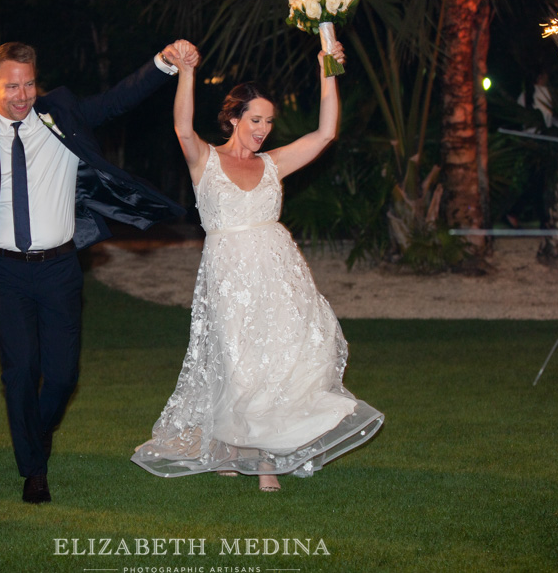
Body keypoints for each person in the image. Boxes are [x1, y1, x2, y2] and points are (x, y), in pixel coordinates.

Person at [0, 40, 191, 503]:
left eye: (29, 83)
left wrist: (162, 63)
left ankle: (36, 431)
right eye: (12, 85)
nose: (22, 94)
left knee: (64, 376)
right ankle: (34, 469)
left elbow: (116, 99)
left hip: (60, 268)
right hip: (5, 272)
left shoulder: (61, 113)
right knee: (20, 372)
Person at [131, 40, 384, 492]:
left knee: (288, 356)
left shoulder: (273, 164)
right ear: (233, 119)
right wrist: (187, 72)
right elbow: (182, 127)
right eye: (255, 120)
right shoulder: (205, 160)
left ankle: (266, 457)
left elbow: (325, 133)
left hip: (280, 272)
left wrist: (328, 66)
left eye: (268, 121)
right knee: (243, 363)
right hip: (229, 275)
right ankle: (238, 448)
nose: (263, 129)